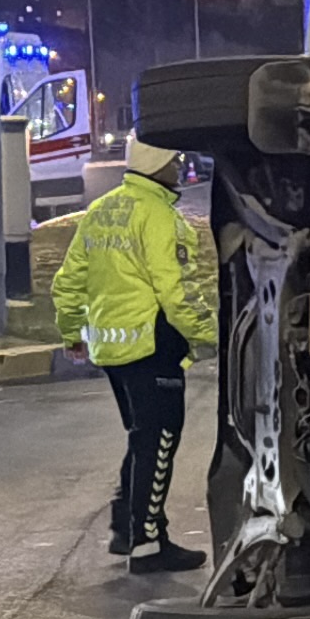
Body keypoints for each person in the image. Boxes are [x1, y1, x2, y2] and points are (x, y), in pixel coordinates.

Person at [52, 137, 218, 573]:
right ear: (156, 163)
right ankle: (148, 543)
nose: (179, 167)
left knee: (142, 437)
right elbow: (177, 291)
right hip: (152, 345)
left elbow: (69, 280)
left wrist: (72, 330)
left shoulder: (102, 210)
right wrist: (209, 335)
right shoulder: (160, 216)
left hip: (112, 347)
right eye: (174, 160)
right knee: (159, 440)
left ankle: (127, 528)